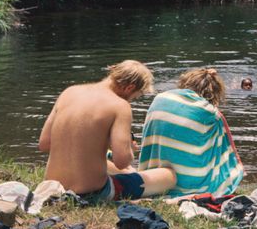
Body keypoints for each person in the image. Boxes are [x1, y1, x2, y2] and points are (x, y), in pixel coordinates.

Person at [38, 60, 176, 204]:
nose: (132, 100)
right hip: (91, 194)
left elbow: (45, 144)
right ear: (129, 88)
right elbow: (122, 161)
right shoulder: (120, 106)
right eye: (135, 97)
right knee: (168, 176)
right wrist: (129, 148)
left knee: (121, 169)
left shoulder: (69, 92)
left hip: (53, 188)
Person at [139, 67, 244, 196]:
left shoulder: (160, 98)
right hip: (189, 185)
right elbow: (223, 148)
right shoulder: (210, 113)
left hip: (152, 178)